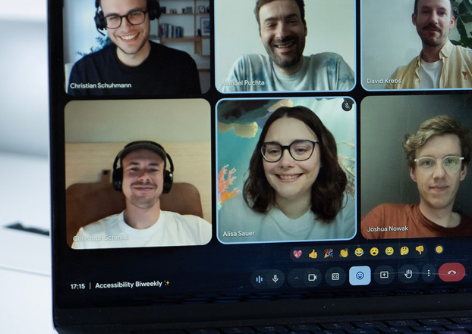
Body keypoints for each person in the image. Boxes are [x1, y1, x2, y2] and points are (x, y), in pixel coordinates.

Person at [218, 105, 355, 242]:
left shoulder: (348, 212)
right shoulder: (232, 214)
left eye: (300, 150)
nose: (285, 162)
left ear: (323, 157)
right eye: (273, 151)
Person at [68, 0, 202, 96]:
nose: (126, 27)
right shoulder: (83, 72)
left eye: (135, 13)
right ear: (102, 22)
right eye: (113, 17)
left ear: (151, 13)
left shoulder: (183, 65)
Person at [361, 115, 472, 239]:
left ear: (463, 171)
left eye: (450, 161)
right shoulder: (382, 220)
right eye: (427, 162)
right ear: (413, 172)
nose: (439, 174)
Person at [72, 141, 211, 248]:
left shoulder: (198, 229)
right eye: (134, 169)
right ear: (119, 180)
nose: (144, 177)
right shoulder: (88, 238)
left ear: (166, 180)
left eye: (153, 169)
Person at [221, 0, 354, 92]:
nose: (282, 34)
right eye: (271, 25)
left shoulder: (333, 67)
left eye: (291, 21)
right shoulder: (245, 69)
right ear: (260, 35)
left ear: (305, 27)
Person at [384, 0, 472, 89]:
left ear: (451, 22)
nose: (433, 19)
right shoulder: (398, 78)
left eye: (441, 13)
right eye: (426, 11)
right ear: (414, 19)